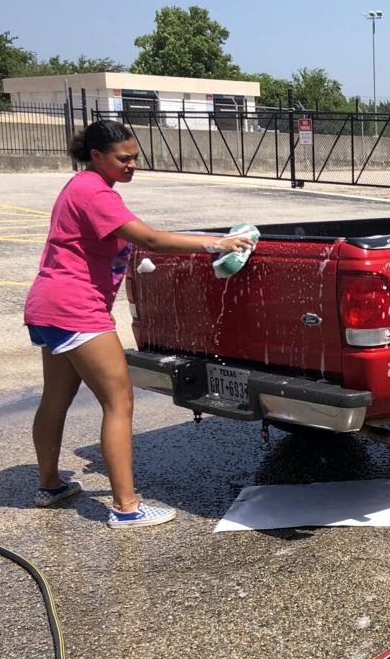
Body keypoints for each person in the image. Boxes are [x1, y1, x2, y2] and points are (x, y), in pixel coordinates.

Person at [24, 121, 252, 529]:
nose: (132, 165)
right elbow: (150, 238)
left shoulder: (81, 187)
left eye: (135, 157)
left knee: (55, 398)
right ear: (96, 156)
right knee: (118, 402)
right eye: (123, 158)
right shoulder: (94, 191)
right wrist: (215, 243)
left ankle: (51, 485)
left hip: (48, 306)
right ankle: (127, 507)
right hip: (78, 309)